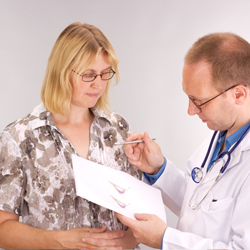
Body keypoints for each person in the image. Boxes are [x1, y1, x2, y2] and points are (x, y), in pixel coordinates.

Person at [0, 22, 141, 249]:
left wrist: (127, 241)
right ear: (62, 72)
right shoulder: (19, 138)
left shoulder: (118, 128)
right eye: (89, 75)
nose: (99, 84)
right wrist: (58, 241)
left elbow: (139, 210)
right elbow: (2, 228)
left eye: (106, 73)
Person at [114, 32, 250, 249]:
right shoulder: (220, 134)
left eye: (199, 101)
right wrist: (157, 168)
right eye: (189, 97)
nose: (190, 110)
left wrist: (165, 239)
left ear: (238, 95)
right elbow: (197, 203)